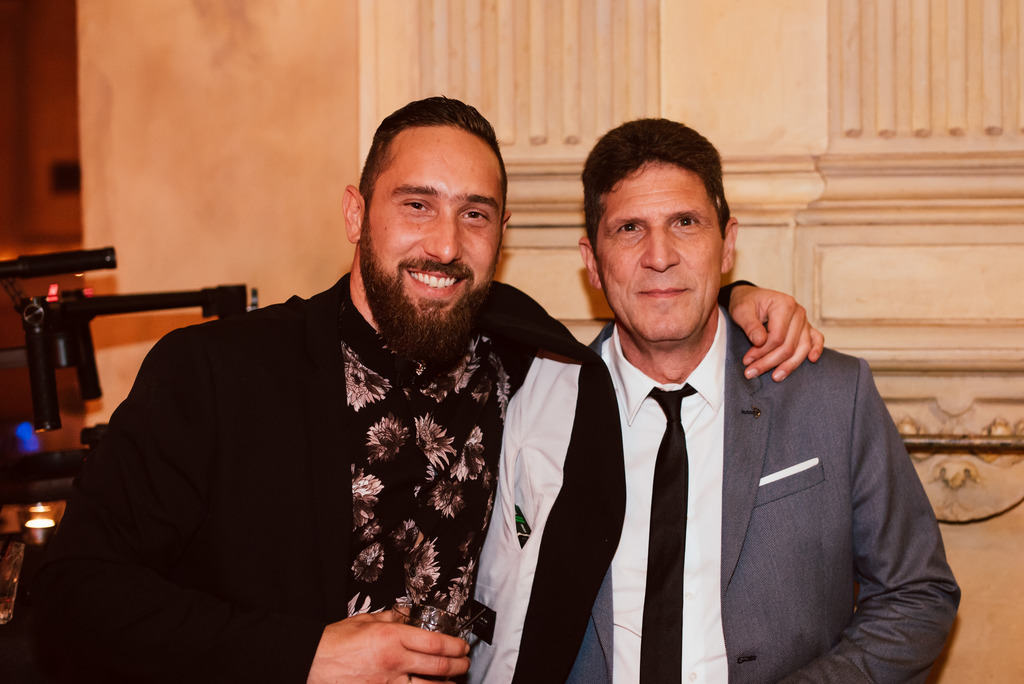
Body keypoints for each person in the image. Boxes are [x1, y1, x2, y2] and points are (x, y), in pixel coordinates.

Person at [32, 98, 819, 684]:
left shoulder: (526, 364)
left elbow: (655, 317)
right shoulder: (216, 374)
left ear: (500, 236)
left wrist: (734, 298)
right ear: (356, 212)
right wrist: (304, 655)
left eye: (474, 215)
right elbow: (70, 596)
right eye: (417, 205)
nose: (444, 244)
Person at [470, 119, 960, 684]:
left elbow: (916, 594)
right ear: (593, 261)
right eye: (629, 228)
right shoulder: (530, 406)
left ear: (727, 244)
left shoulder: (833, 396)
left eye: (685, 223)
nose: (660, 256)